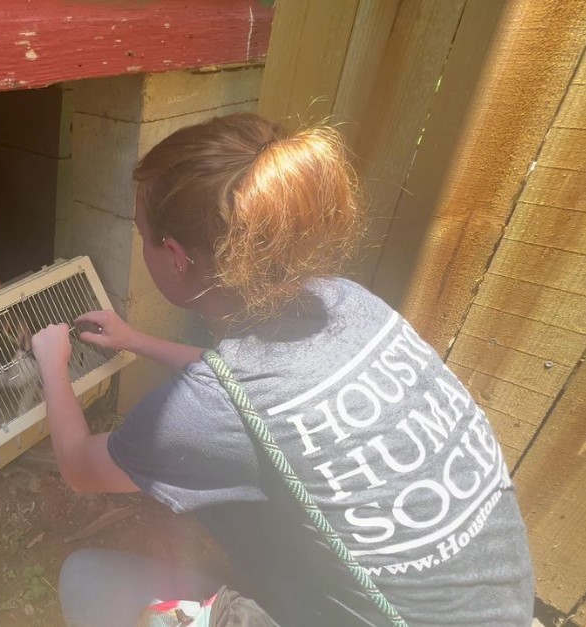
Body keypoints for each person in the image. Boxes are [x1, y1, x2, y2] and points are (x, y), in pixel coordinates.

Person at [30, 113, 534, 626]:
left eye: (143, 235)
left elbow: (78, 466)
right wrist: (137, 340)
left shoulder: (196, 414)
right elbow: (256, 395)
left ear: (177, 257)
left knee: (86, 580)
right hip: (500, 609)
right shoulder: (348, 302)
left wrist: (53, 362)